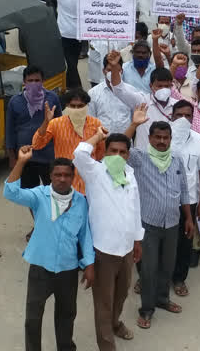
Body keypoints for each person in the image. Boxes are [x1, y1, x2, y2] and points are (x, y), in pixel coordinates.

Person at [3, 147, 95, 351]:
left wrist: (89, 264)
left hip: (68, 268)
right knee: (33, 317)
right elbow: (10, 192)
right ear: (50, 176)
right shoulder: (39, 196)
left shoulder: (80, 201)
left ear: (73, 177)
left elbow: (85, 236)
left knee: (66, 314)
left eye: (67, 175)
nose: (62, 179)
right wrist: (21, 162)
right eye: (57, 175)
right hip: (40, 267)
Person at [72, 126, 142, 349]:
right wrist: (98, 137)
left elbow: (136, 209)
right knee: (103, 301)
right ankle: (106, 344)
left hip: (127, 248)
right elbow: (79, 154)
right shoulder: (95, 172)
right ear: (104, 152)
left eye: (123, 152)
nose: (118, 156)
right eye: (113, 151)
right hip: (103, 251)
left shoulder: (130, 175)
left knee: (121, 295)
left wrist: (137, 240)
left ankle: (115, 323)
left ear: (128, 155)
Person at [125, 120, 193, 330]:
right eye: (158, 137)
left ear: (171, 139)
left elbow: (183, 190)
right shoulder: (139, 159)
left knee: (167, 265)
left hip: (172, 223)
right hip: (148, 225)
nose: (162, 142)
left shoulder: (176, 160)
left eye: (166, 138)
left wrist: (188, 218)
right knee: (148, 268)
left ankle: (162, 299)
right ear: (150, 138)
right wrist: (134, 124)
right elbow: (120, 145)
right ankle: (146, 309)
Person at [163, 101, 200, 295]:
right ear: (171, 116)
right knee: (158, 241)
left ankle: (179, 279)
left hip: (189, 202)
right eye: (179, 115)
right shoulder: (161, 138)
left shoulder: (199, 140)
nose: (183, 119)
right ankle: (151, 278)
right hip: (162, 200)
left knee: (184, 242)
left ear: (193, 118)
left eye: (188, 115)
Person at [5, 66, 62, 237]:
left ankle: (55, 225)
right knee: (30, 194)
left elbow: (60, 126)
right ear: (24, 82)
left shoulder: (52, 98)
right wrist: (12, 157)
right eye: (30, 81)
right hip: (26, 157)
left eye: (37, 80)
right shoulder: (15, 102)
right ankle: (39, 224)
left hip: (48, 155)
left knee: (53, 192)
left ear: (43, 81)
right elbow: (10, 131)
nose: (34, 84)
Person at [32, 88, 106, 194]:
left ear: (86, 106)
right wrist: (46, 122)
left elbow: (100, 153)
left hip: (89, 185)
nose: (76, 109)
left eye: (80, 106)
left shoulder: (96, 124)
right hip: (65, 184)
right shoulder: (56, 124)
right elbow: (36, 144)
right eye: (73, 106)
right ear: (67, 106)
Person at [53, 0, 90, 88]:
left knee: (71, 60)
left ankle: (75, 85)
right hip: (78, 33)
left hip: (64, 33)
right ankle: (72, 84)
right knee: (72, 59)